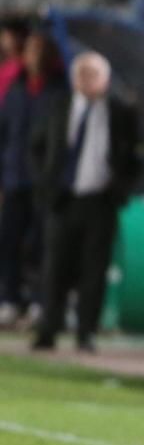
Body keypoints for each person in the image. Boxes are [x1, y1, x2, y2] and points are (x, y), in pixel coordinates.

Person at [31, 52, 142, 352]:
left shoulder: (121, 111)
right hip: (63, 199)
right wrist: (46, 183)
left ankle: (86, 332)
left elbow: (134, 157)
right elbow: (38, 146)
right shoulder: (58, 106)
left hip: (100, 201)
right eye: (82, 73)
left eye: (93, 74)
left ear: (106, 79)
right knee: (54, 267)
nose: (87, 79)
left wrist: (120, 189)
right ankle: (48, 330)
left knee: (94, 269)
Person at [0, 30, 64, 326]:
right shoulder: (17, 88)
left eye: (36, 50)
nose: (30, 55)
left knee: (42, 244)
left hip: (43, 181)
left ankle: (41, 301)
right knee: (9, 240)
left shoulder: (59, 91)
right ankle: (11, 299)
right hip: (14, 178)